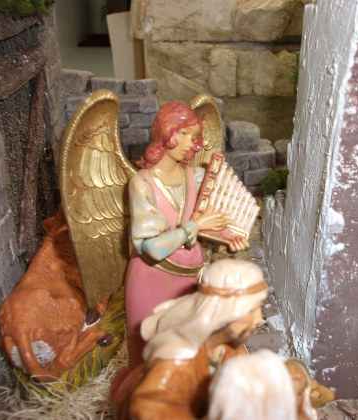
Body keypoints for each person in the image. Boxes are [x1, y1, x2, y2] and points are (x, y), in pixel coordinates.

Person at [125, 102, 248, 369]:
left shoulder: (197, 177)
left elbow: (211, 221)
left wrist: (228, 237)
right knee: (150, 360)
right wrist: (196, 226)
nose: (190, 143)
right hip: (152, 280)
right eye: (183, 133)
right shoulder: (142, 183)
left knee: (189, 357)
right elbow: (152, 248)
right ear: (166, 131)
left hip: (190, 281)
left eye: (193, 137)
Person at [114, 259, 268, 419]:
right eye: (251, 310)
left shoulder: (229, 349)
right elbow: (147, 407)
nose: (259, 320)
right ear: (224, 312)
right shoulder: (178, 359)